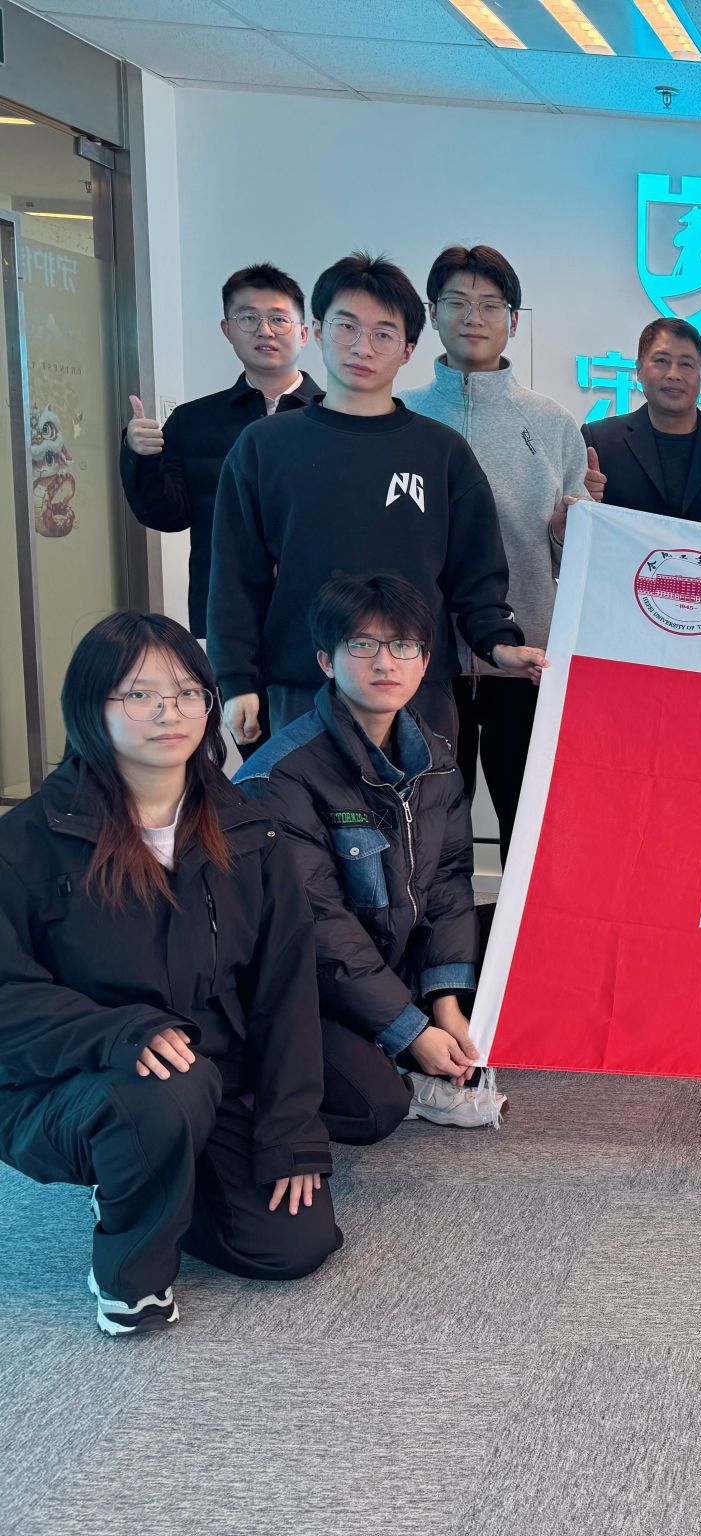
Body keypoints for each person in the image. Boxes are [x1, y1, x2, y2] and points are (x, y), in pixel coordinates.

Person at [0, 613, 336, 1336]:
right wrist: (118, 1032)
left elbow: (284, 990)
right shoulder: (26, 841)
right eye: (140, 694)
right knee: (159, 1094)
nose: (169, 713)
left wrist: (290, 1135)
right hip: (65, 1083)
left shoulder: (249, 829)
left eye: (188, 693)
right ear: (91, 707)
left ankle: (153, 1173)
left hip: (205, 1075)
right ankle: (131, 1276)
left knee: (290, 1244)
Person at [209, 252, 543, 749]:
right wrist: (236, 680)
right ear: (317, 331)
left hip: (417, 690)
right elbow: (237, 577)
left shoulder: (441, 451)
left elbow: (476, 576)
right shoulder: (264, 446)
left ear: (407, 350)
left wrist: (498, 644)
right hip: (303, 689)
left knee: (426, 803)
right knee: (298, 804)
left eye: (383, 334)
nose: (362, 347)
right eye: (347, 327)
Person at [236, 575, 502, 1136]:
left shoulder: (435, 759)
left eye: (403, 645)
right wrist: (411, 1030)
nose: (386, 662)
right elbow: (318, 926)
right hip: (306, 987)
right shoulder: (280, 776)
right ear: (326, 662)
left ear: (424, 661)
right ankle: (252, 1083)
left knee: (520, 954)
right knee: (374, 1107)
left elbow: (450, 882)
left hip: (388, 962)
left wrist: (446, 1001)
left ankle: (402, 1049)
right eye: (362, 645)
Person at [400, 244, 590, 844]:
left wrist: (566, 535)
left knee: (529, 823)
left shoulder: (553, 422)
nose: (473, 318)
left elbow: (572, 562)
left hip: (524, 658)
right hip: (420, 661)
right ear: (433, 314)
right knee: (426, 827)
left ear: (513, 319)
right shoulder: (400, 414)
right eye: (457, 302)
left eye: (489, 305)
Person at [120, 263, 322, 657]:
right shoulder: (193, 420)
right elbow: (167, 514)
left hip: (318, 611)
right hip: (225, 610)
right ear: (227, 329)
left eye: (278, 319)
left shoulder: (333, 417)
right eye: (248, 318)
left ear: (303, 332)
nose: (264, 331)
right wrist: (140, 456)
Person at [581, 317, 701, 529]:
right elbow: (573, 523)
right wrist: (582, 496)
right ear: (639, 371)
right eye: (662, 361)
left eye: (686, 364)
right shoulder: (599, 441)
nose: (673, 374)